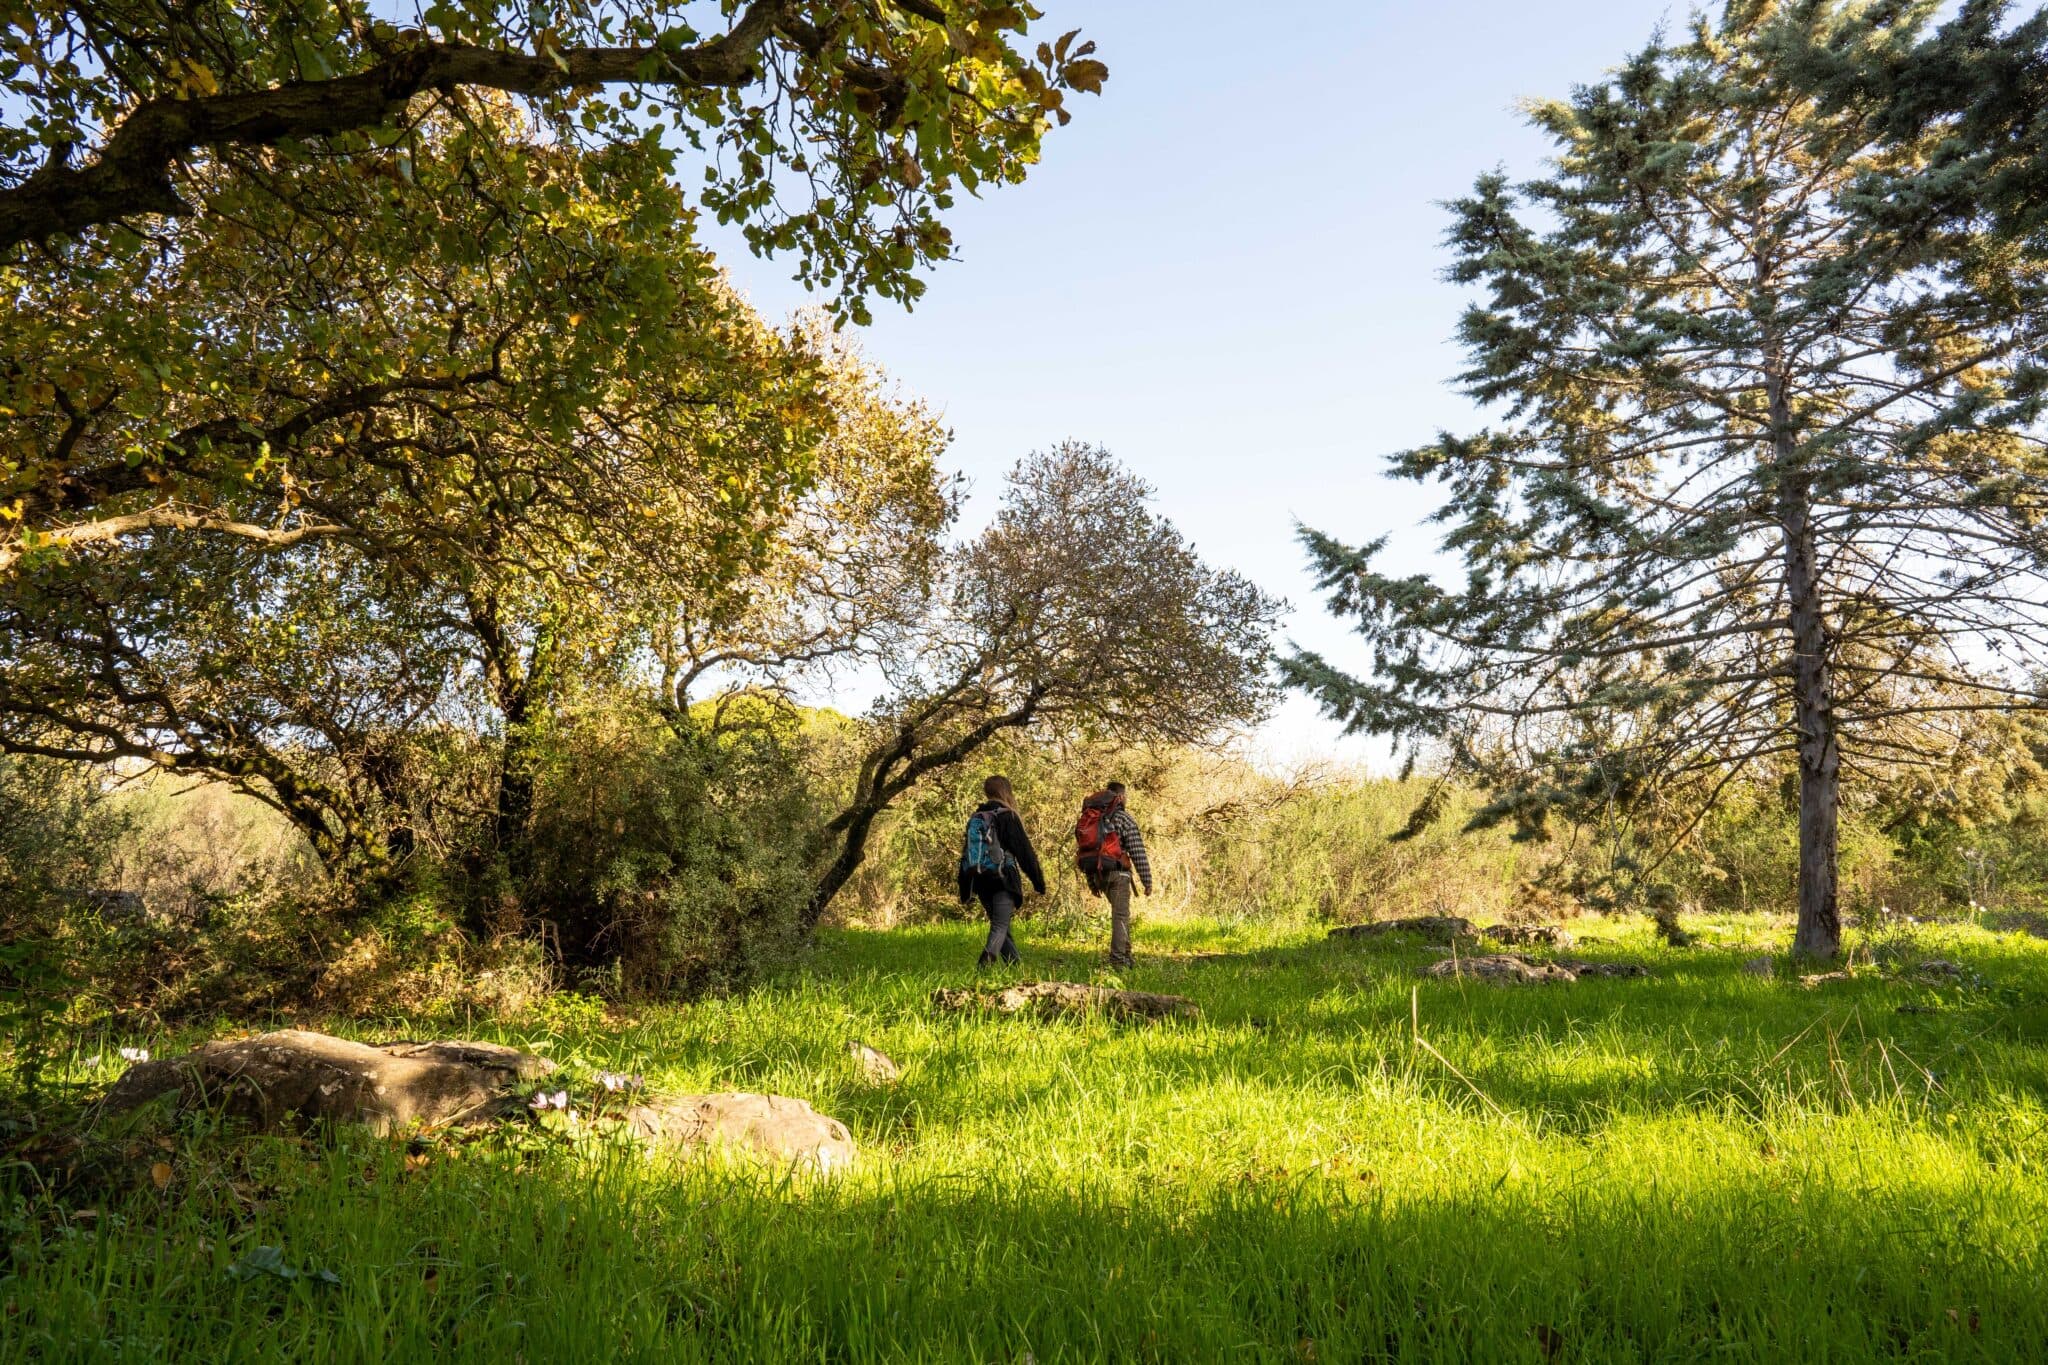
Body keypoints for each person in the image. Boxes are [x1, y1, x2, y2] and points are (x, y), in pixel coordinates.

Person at [958, 774, 1046, 968]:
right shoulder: (1008, 816)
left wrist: (965, 890)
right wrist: (1038, 881)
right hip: (1002, 877)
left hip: (980, 880)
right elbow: (1024, 852)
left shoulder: (976, 817)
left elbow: (967, 854)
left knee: (1001, 927)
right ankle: (984, 965)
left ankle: (1016, 967)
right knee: (1000, 925)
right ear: (1006, 791)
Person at [1075, 779, 1152, 969]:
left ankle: (1127, 957)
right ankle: (1118, 960)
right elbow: (1137, 850)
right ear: (1121, 797)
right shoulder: (1123, 819)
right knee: (1121, 916)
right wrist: (1147, 880)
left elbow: (1087, 850)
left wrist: (1092, 883)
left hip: (1098, 875)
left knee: (1121, 914)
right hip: (1118, 875)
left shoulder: (1091, 818)